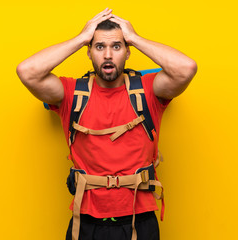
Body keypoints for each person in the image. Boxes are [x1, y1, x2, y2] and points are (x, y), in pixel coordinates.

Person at [16, 8, 197, 240]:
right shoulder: (72, 93)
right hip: (86, 221)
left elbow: (186, 69)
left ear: (127, 52)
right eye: (100, 47)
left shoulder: (148, 90)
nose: (108, 55)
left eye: (117, 46)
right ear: (89, 52)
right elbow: (27, 71)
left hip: (139, 220)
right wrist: (82, 37)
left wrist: (134, 37)